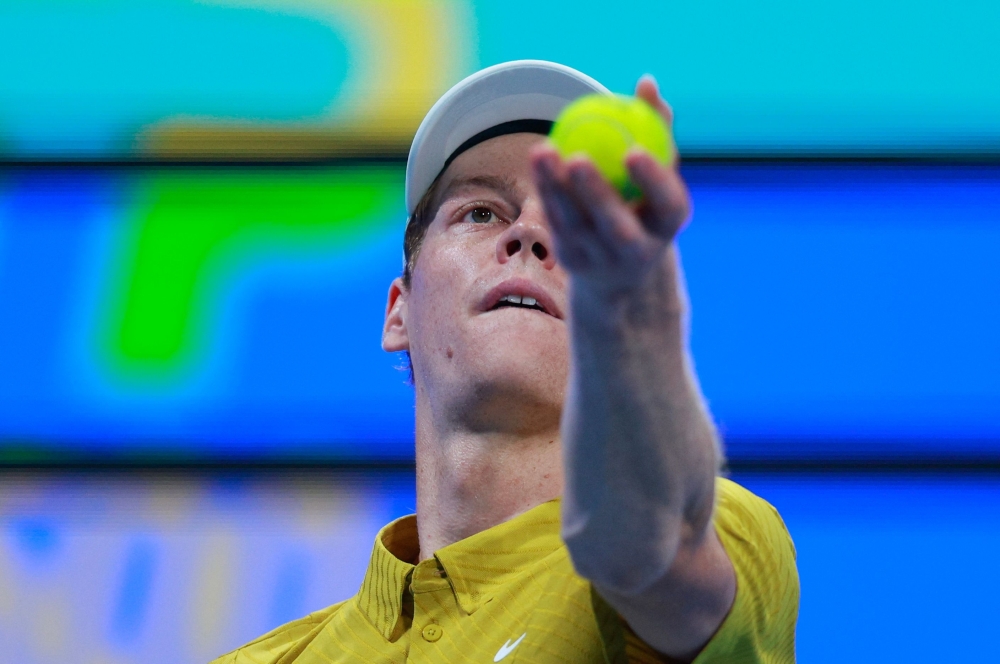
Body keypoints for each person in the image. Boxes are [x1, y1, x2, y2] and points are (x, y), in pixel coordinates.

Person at [212, 60, 798, 664]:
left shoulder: (728, 531)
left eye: (574, 223)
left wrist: (637, 317)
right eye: (482, 212)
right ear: (399, 313)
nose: (527, 236)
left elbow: (652, 553)